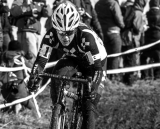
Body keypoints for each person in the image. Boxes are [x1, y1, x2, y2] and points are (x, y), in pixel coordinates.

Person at [27, 1, 107, 129]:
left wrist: (94, 86)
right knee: (57, 74)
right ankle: (59, 112)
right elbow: (41, 60)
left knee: (89, 105)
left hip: (96, 64)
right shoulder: (51, 35)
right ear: (55, 29)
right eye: (61, 32)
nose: (65, 37)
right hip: (73, 58)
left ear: (75, 27)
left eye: (69, 32)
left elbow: (97, 68)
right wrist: (34, 77)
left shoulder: (86, 37)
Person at [0, 40, 37, 116]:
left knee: (13, 101)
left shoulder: (3, 57)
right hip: (19, 91)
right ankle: (36, 116)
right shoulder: (20, 58)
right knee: (33, 108)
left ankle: (15, 107)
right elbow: (32, 68)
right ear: (19, 50)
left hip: (5, 91)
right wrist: (30, 59)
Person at [95, 0, 125, 82]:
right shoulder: (113, 3)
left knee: (105, 57)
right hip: (114, 32)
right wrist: (123, 26)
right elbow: (118, 18)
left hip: (102, 34)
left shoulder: (98, 4)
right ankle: (113, 79)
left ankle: (105, 78)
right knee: (115, 56)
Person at [121, 0, 147, 85]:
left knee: (126, 59)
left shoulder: (128, 8)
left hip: (124, 37)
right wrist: (144, 27)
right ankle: (130, 81)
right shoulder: (138, 12)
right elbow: (138, 28)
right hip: (132, 38)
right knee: (132, 60)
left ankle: (125, 79)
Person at [141, 0, 160, 80]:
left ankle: (145, 76)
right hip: (158, 38)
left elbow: (144, 25)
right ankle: (157, 77)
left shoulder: (146, 14)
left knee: (143, 57)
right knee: (158, 58)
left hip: (148, 38)